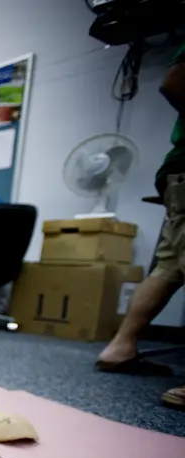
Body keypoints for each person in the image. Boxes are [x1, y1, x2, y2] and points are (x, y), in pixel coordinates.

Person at [96, 42, 185, 410]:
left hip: (177, 172)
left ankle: (121, 345)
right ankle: (120, 346)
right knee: (169, 265)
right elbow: (176, 80)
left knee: (168, 265)